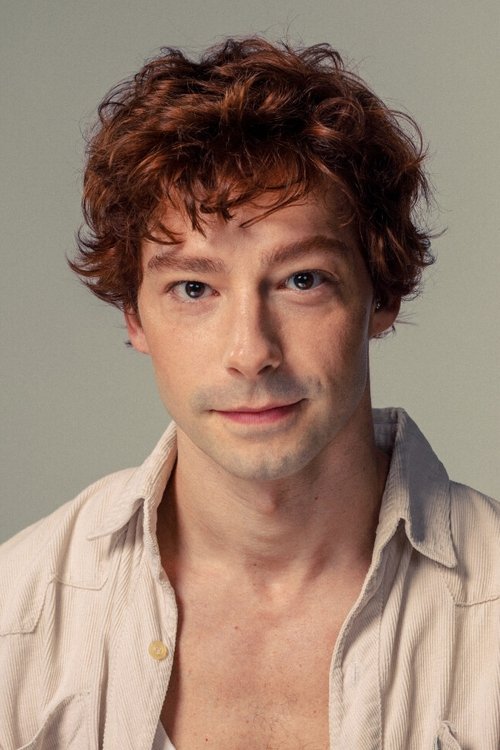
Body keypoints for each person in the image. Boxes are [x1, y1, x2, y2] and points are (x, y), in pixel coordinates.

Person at [0, 36, 498, 750]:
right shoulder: (18, 617)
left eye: (302, 280)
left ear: (381, 294)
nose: (250, 352)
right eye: (193, 288)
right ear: (134, 317)